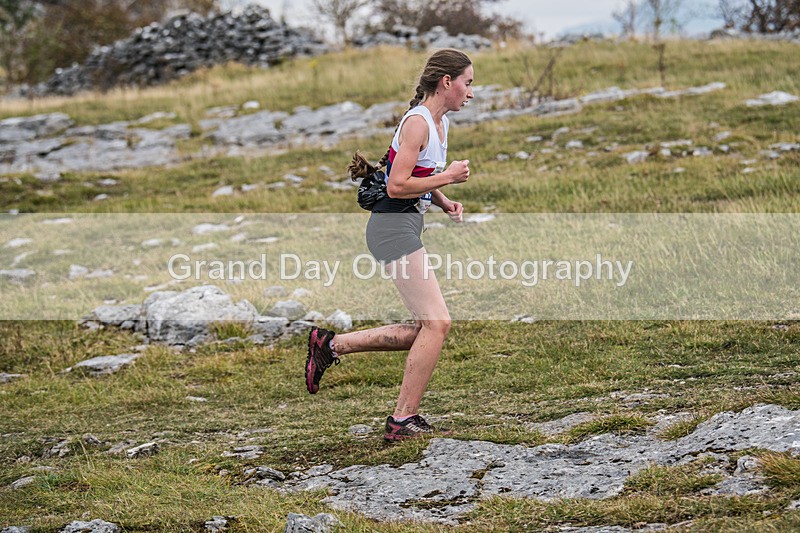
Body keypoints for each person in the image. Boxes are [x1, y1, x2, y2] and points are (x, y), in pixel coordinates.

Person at [305, 48, 474, 442]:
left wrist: (443, 200)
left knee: (423, 329)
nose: (470, 92)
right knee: (438, 323)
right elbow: (397, 185)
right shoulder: (417, 123)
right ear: (446, 82)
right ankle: (402, 420)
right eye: (467, 83)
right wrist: (447, 179)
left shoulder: (439, 124)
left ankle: (329, 345)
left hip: (404, 225)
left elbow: (418, 177)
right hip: (390, 228)